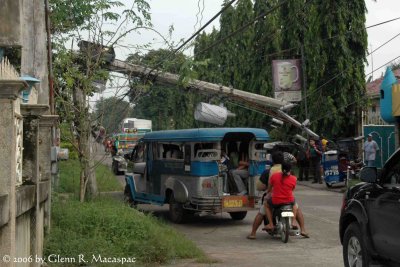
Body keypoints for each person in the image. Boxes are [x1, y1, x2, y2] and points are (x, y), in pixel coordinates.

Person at [247, 152, 309, 239]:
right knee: (297, 209)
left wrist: (268, 191)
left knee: (261, 212)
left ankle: (253, 233)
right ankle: (302, 229)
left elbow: (260, 187)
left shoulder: (269, 172)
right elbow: (292, 188)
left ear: (272, 160)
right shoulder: (292, 175)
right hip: (288, 198)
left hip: (274, 198)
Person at [263, 161, 298, 232]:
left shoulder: (274, 176)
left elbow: (269, 188)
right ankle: (294, 221)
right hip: (289, 200)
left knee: (266, 204)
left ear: (281, 168)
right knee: (294, 204)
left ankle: (271, 224)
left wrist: (267, 193)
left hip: (276, 201)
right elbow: (292, 189)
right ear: (290, 169)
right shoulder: (294, 178)